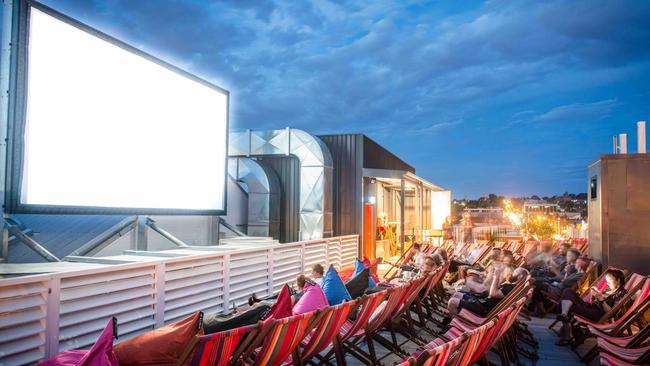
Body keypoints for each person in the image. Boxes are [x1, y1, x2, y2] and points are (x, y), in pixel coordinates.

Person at [555, 269, 627, 346]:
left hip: (597, 314)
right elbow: (595, 302)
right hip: (590, 307)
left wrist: (601, 299)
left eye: (609, 280)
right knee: (568, 291)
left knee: (566, 304)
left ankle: (568, 334)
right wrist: (595, 295)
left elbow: (611, 312)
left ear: (618, 280)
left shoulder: (621, 293)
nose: (607, 282)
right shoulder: (609, 289)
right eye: (606, 280)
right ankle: (564, 316)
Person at [447, 266, 529, 317]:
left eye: (514, 272)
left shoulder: (512, 288)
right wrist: (494, 277)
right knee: (457, 294)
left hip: (484, 308)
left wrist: (496, 277)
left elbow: (493, 293)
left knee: (452, 301)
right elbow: (492, 290)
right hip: (483, 302)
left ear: (520, 276)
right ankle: (457, 318)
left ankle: (454, 324)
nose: (511, 274)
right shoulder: (512, 286)